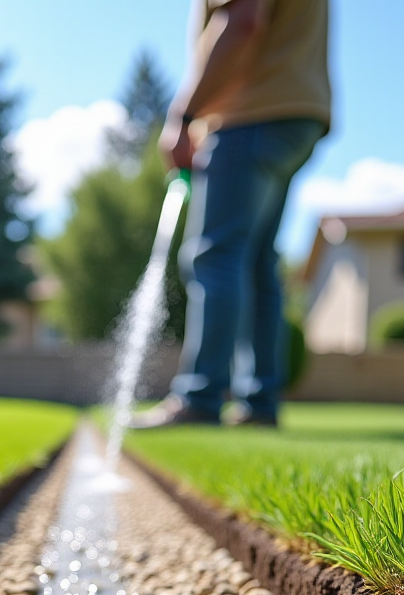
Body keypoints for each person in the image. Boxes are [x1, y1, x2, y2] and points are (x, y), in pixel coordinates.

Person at [133, 0, 330, 428]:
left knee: (215, 255)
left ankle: (199, 398)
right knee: (258, 264)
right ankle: (259, 404)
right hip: (298, 113)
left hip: (248, 114)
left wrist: (184, 116)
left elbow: (242, 23)